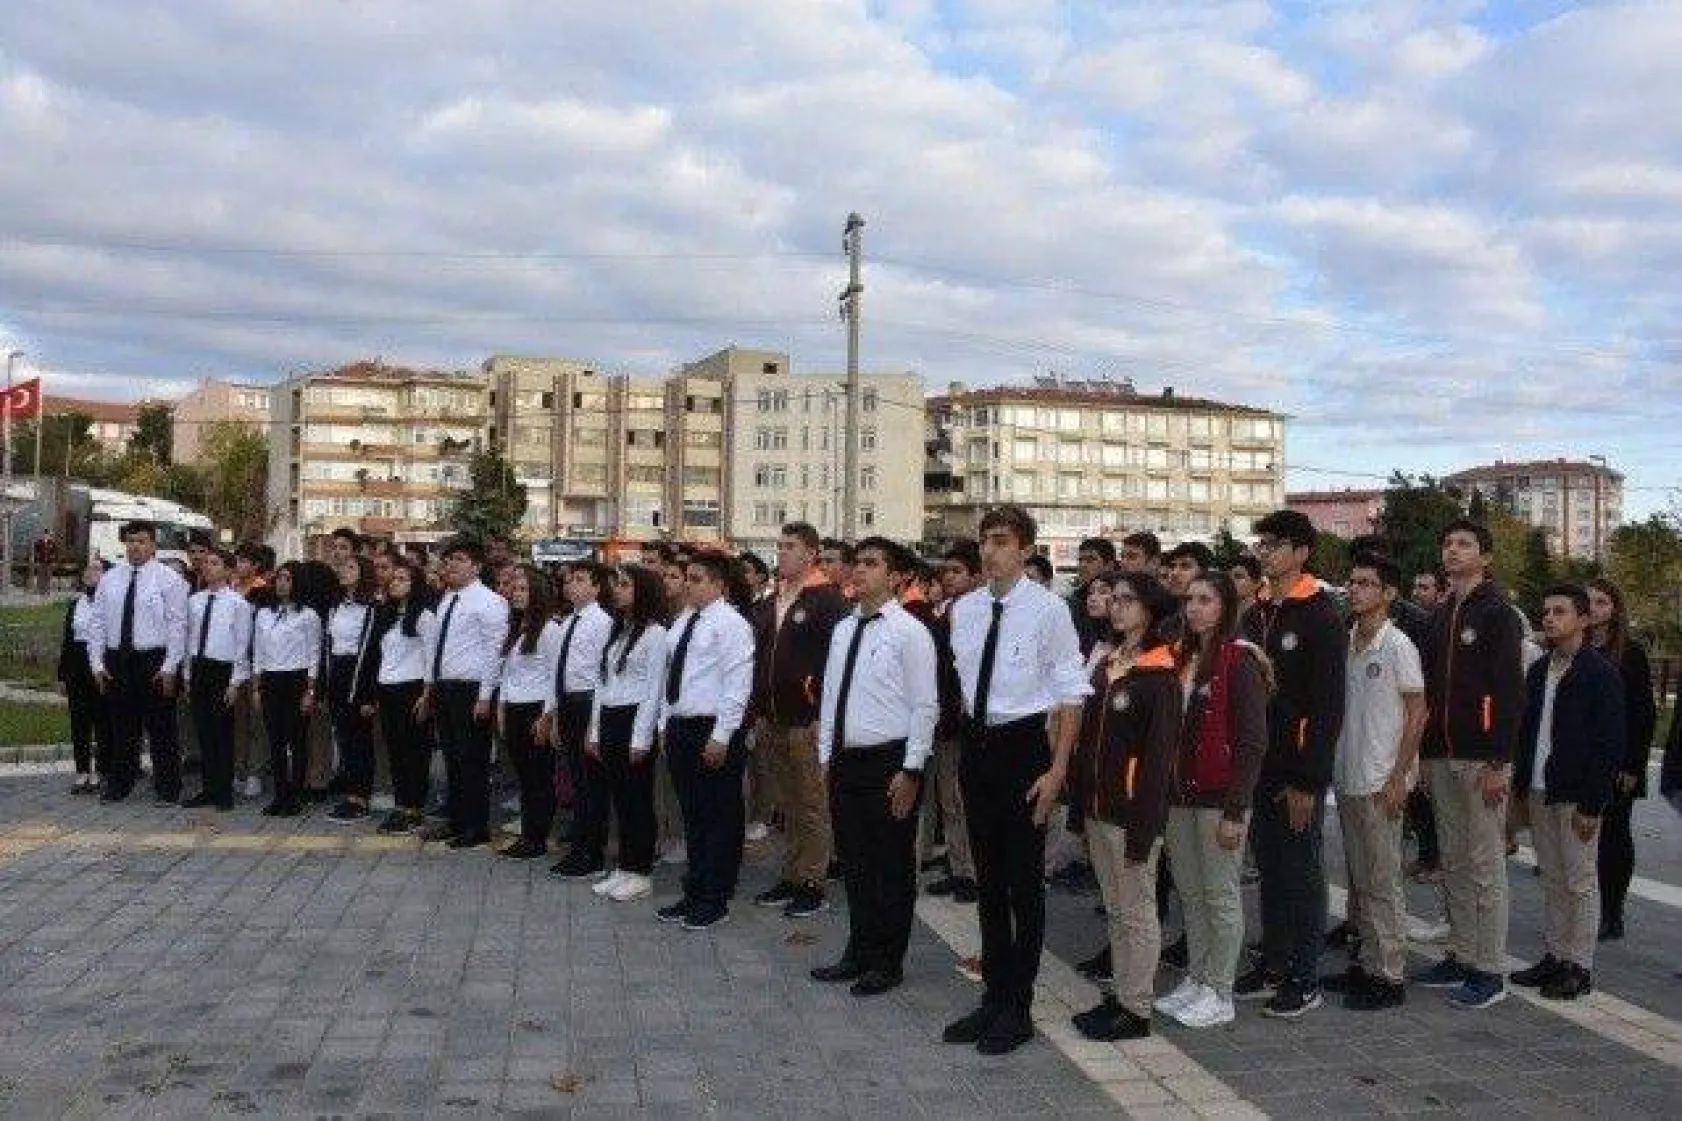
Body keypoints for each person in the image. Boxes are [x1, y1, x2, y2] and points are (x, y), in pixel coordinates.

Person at [941, 505, 1089, 1057]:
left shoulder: (1049, 610)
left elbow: (1070, 692)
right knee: (987, 880)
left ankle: (1019, 1005)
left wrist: (1056, 771)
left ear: (1026, 549)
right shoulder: (965, 609)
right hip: (977, 747)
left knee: (1023, 883)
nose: (989, 550)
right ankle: (993, 995)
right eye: (984, 540)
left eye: (1001, 540)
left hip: (1025, 747)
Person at [810, 537, 939, 997]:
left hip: (890, 762)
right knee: (856, 864)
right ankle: (859, 950)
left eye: (871, 563)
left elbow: (925, 706)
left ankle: (888, 960)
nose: (859, 571)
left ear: (897, 576)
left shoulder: (910, 632)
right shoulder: (845, 629)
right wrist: (826, 756)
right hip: (846, 762)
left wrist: (911, 771)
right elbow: (830, 697)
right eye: (857, 563)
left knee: (890, 867)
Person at [1236, 510, 1346, 1019]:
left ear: (1302, 552)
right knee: (1271, 867)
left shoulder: (1319, 614)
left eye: (1276, 544)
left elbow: (1326, 707)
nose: (1265, 552)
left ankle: (1306, 973)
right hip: (1258, 761)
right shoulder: (1255, 612)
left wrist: (1309, 779)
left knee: (1302, 869)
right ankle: (1275, 961)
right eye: (1261, 543)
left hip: (1297, 767)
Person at [1414, 519, 1525, 1010]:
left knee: (1484, 866)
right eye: (1448, 542)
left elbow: (1509, 691)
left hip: (1481, 758)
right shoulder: (1441, 614)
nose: (1453, 550)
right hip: (1440, 754)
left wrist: (1499, 759)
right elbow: (1429, 691)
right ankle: (1460, 953)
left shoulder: (1499, 614)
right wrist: (1420, 752)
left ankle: (1490, 967)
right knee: (1453, 861)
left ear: (1486, 557)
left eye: (1464, 544)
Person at [1068, 572, 1181, 1040]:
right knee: (1116, 909)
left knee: (1137, 911)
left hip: (1130, 814)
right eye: (1112, 599)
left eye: (1126, 600)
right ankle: (1120, 993)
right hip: (1098, 808)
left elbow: (1158, 761)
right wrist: (1078, 805)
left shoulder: (1160, 675)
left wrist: (1145, 826)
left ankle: (1137, 1008)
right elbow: (1085, 741)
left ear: (1149, 610)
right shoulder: (1108, 663)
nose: (1115, 607)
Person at [1155, 572, 1268, 1030]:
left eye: (1205, 600)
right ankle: (1199, 978)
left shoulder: (1239, 661)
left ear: (1225, 607)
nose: (1194, 608)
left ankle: (1221, 990)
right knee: (1192, 893)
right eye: (1190, 600)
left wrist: (1236, 810)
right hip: (1181, 796)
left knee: (1220, 895)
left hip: (1220, 799)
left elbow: (1252, 742)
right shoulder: (1183, 657)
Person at [1510, 585, 1625, 1001]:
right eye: (1545, 612)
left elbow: (1609, 744)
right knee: (1555, 879)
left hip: (1577, 796)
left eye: (1559, 612)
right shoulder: (1540, 670)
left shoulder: (1599, 673)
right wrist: (1521, 786)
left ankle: (1580, 966)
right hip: (1541, 790)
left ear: (1582, 619)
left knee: (1580, 882)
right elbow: (1527, 733)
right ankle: (1555, 957)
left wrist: (1593, 804)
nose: (1549, 619)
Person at [1326, 554, 1426, 1011]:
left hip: (1381, 779)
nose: (1356, 590)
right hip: (1348, 776)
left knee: (1383, 880)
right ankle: (1365, 964)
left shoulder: (1398, 645)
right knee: (1361, 879)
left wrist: (1400, 775)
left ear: (1388, 594)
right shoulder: (1346, 642)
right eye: (1353, 582)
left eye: (1367, 584)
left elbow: (1417, 712)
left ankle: (1390, 974)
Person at [750, 523, 850, 919]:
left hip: (807, 719)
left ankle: (813, 880)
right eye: (779, 546)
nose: (782, 553)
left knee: (811, 803)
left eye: (790, 546)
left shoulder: (827, 600)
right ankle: (792, 874)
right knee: (787, 803)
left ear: (811, 553)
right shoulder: (775, 599)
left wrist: (819, 702)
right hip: (773, 716)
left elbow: (837, 662)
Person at [655, 552, 755, 931]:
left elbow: (737, 685)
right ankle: (694, 891)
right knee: (693, 816)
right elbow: (672, 678)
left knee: (720, 818)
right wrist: (666, 724)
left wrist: (722, 736)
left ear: (719, 585)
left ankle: (716, 898)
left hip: (712, 730)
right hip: (682, 727)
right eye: (689, 578)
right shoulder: (683, 621)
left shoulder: (731, 624)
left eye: (698, 579)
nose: (689, 584)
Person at [87, 520, 190, 805]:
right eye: (131, 541)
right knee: (122, 726)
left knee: (162, 728)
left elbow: (177, 626)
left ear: (153, 545)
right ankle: (121, 783)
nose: (135, 546)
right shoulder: (111, 578)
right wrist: (97, 664)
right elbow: (97, 623)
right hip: (118, 659)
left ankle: (168, 788)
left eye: (141, 541)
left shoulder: (169, 579)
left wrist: (170, 667)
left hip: (154, 660)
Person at [418, 538, 510, 849]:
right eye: (448, 560)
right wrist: (431, 687)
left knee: (473, 761)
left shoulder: (490, 601)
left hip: (471, 689)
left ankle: (476, 827)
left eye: (458, 559)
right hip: (446, 687)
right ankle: (456, 821)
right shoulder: (448, 599)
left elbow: (494, 653)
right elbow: (437, 647)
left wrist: (485, 696)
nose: (451, 565)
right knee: (453, 759)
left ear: (477, 566)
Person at [588, 565, 669, 902]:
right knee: (619, 796)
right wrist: (593, 729)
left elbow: (654, 689)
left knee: (637, 799)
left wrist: (641, 737)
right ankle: (623, 866)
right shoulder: (619, 630)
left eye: (625, 585)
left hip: (634, 719)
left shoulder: (655, 634)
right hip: (609, 716)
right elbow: (601, 682)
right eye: (617, 584)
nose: (617, 590)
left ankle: (640, 871)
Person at [1586, 578, 1656, 942]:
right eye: (1590, 602)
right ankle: (1587, 908)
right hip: (1580, 760)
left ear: (1614, 609)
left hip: (1618, 762)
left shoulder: (1630, 652)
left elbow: (1643, 714)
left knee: (1614, 836)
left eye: (1602, 602)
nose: (1595, 608)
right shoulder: (1575, 648)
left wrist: (1632, 765)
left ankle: (1612, 913)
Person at [354, 561, 436, 834]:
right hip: (388, 689)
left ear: (415, 584)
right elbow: (379, 657)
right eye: (394, 578)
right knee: (395, 751)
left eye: (403, 578)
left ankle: (414, 808)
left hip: (413, 690)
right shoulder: (386, 615)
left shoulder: (424, 616)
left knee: (415, 751)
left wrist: (427, 695)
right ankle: (401, 805)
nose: (395, 582)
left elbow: (432, 658)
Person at [547, 562, 616, 876]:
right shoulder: (566, 623)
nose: (571, 585)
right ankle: (580, 844)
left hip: (589, 705)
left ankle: (592, 853)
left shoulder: (602, 623)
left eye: (580, 579)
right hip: (568, 703)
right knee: (576, 780)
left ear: (597, 588)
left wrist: (596, 724)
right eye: (569, 579)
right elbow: (557, 671)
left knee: (592, 785)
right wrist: (554, 713)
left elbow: (604, 676)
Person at [922, 539, 980, 903]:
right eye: (946, 571)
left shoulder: (974, 611)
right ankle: (959, 866)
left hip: (962, 722)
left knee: (959, 800)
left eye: (957, 571)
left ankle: (970, 873)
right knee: (948, 801)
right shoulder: (943, 609)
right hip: (942, 718)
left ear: (975, 576)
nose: (949, 577)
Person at [492, 565, 564, 858]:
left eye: (525, 590)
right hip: (515, 709)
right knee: (525, 776)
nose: (517, 595)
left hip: (537, 710)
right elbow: (508, 674)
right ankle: (528, 834)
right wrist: (502, 706)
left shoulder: (549, 629)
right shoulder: (519, 628)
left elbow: (554, 676)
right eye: (516, 589)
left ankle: (538, 838)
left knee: (539, 778)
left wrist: (547, 716)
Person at [181, 548, 254, 811]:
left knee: (222, 732)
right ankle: (208, 787)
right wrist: (188, 676)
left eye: (215, 563)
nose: (208, 567)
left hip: (223, 670)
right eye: (207, 563)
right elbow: (189, 639)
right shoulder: (195, 601)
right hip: (200, 667)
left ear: (228, 570)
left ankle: (224, 791)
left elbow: (241, 645)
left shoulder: (238, 604)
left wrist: (235, 682)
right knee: (203, 731)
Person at [251, 562, 321, 817]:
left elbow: (314, 654)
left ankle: (295, 795)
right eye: (279, 578)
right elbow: (258, 651)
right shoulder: (263, 614)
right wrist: (257, 686)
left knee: (297, 740)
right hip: (271, 679)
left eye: (288, 579)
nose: (282, 583)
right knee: (276, 741)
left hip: (297, 679)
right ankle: (279, 795)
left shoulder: (308, 616)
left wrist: (310, 690)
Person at [324, 557, 379, 824]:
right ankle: (350, 791)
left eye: (350, 567)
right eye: (342, 566)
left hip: (359, 674)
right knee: (344, 735)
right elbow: (330, 645)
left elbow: (371, 652)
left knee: (360, 738)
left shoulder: (372, 608)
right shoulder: (336, 606)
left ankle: (361, 797)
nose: (343, 570)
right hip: (337, 672)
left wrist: (368, 693)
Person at [57, 558, 111, 794]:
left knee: (102, 720)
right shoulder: (75, 604)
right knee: (79, 721)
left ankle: (102, 771)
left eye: (97, 569)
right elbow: (67, 641)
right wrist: (62, 674)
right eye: (88, 568)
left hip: (99, 665)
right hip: (76, 666)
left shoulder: (110, 605)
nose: (90, 572)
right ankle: (81, 771)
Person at [1068, 537, 1117, 654]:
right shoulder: (1074, 601)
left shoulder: (1123, 598)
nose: (1083, 565)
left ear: (1109, 565)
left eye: (1090, 560)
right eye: (1080, 560)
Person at [1230, 555, 1262, 620]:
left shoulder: (1262, 617)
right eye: (1229, 577)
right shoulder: (1227, 613)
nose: (1231, 581)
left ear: (1257, 583)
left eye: (1238, 577)